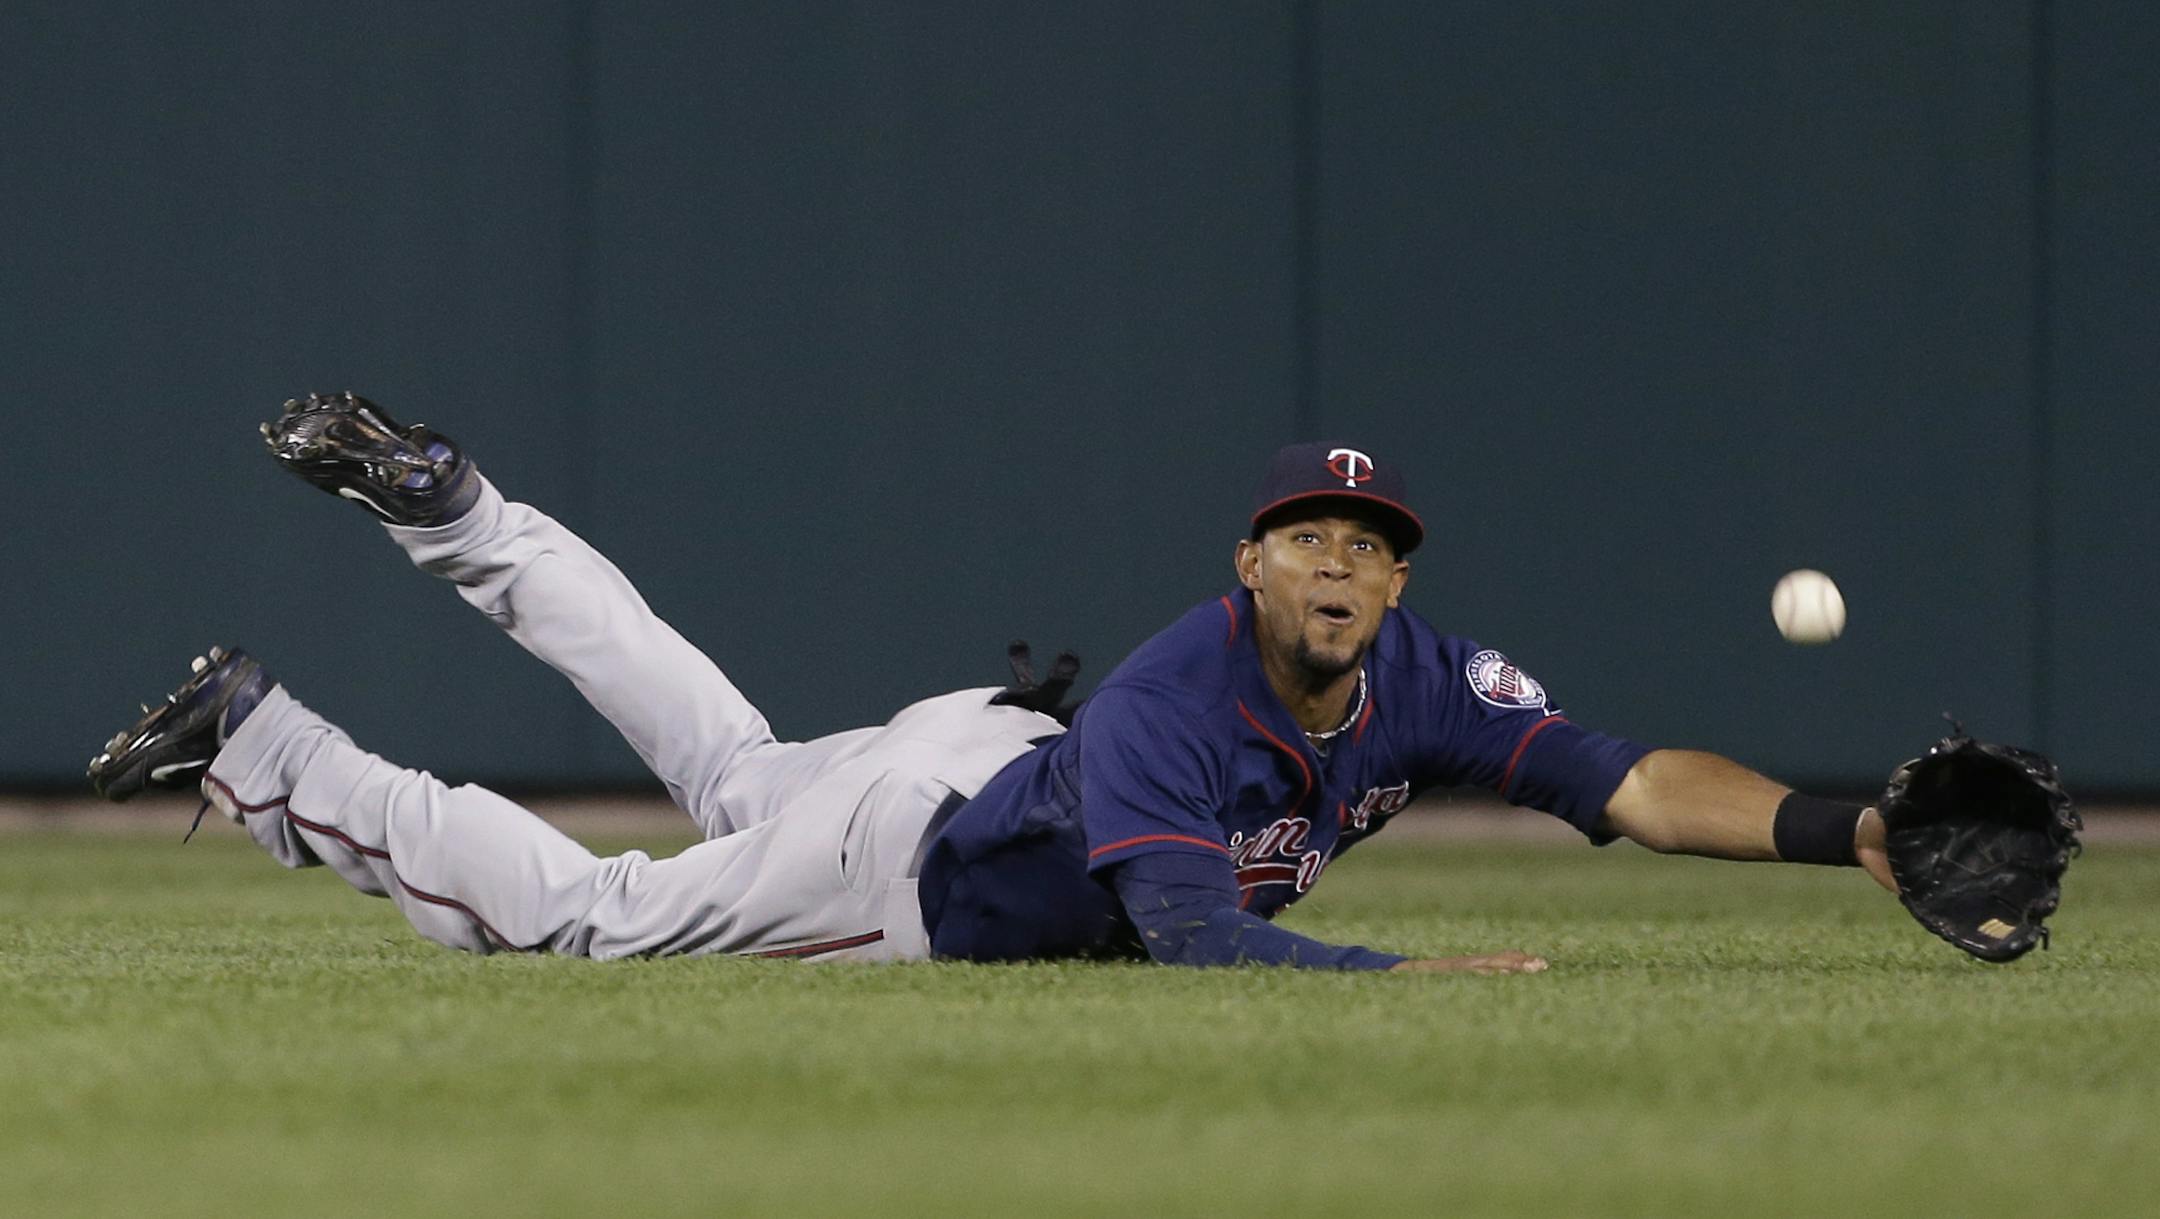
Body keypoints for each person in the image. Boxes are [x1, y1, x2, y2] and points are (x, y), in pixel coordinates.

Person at [88, 393, 1895, 971]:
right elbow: (1198, 942)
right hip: (924, 858)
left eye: (1367, 543)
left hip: (984, 747)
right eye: (1305, 538)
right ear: (1247, 564)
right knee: (594, 923)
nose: (1339, 562)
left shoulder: (1418, 677)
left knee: (721, 758)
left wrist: (1851, 827)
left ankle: (459, 512)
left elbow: (1639, 781)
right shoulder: (1194, 695)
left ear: (1394, 573)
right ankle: (270, 745)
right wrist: (1418, 974)